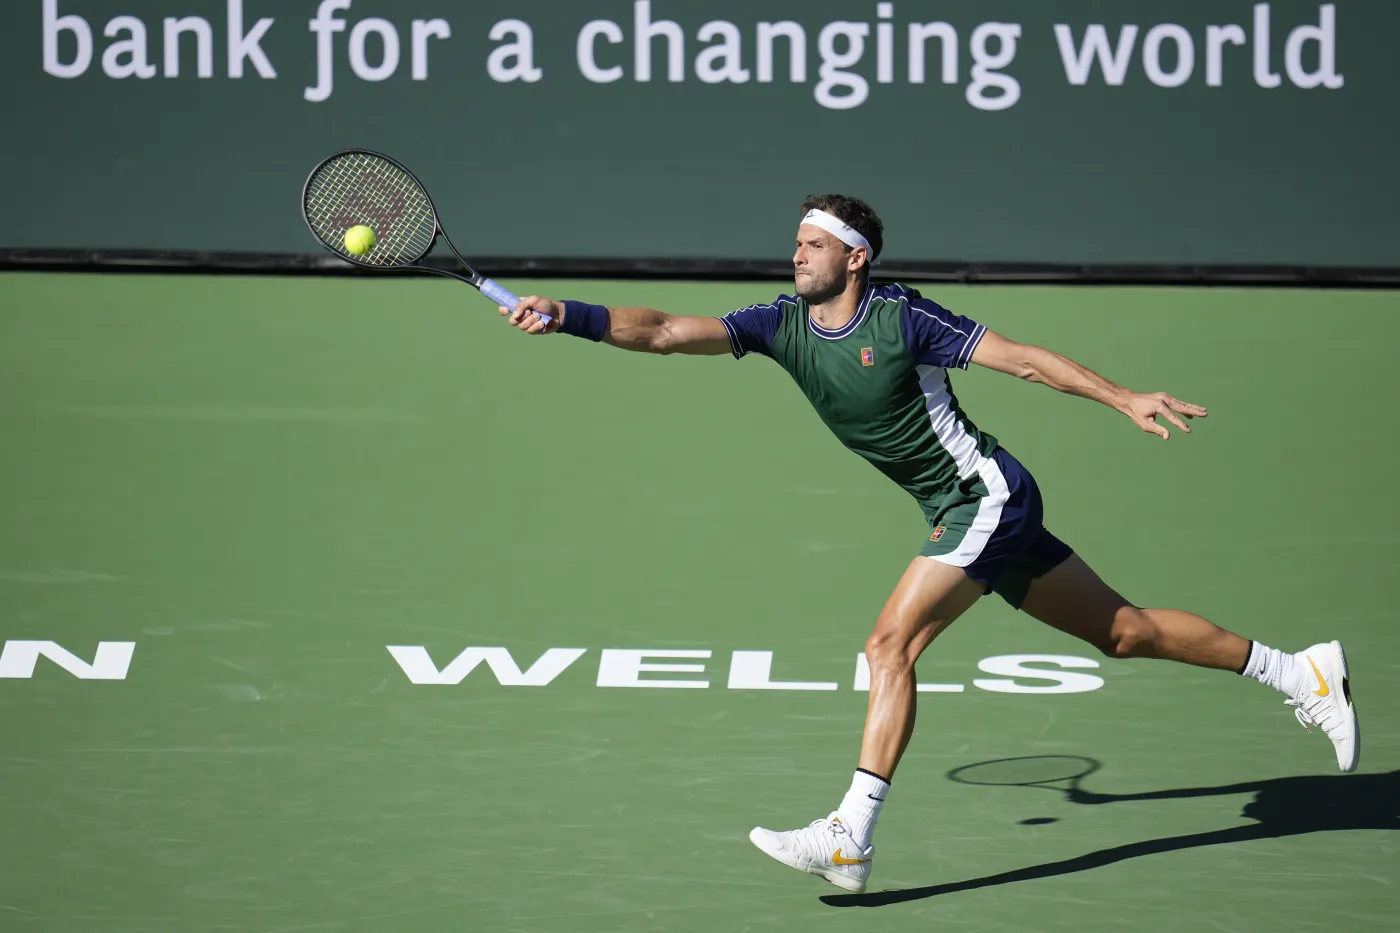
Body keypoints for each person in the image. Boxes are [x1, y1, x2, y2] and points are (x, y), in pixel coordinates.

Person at [497, 194, 1359, 895]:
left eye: (812, 245)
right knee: (1124, 631)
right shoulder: (778, 324)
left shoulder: (903, 318)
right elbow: (660, 329)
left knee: (890, 643)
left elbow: (1023, 360)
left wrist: (1122, 395)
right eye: (795, 243)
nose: (796, 256)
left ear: (855, 258)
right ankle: (1299, 672)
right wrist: (568, 313)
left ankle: (850, 834)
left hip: (985, 496)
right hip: (958, 507)